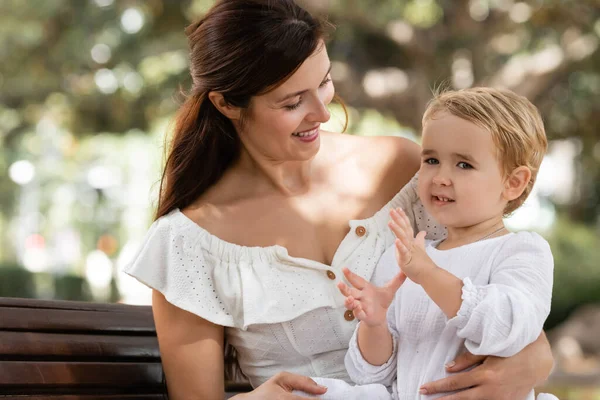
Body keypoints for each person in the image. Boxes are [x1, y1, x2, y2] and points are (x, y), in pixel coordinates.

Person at [123, 1, 554, 399]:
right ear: (227, 103)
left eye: (325, 81)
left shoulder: (405, 170)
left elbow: (488, 284)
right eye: (292, 102)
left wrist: (534, 360)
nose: (323, 112)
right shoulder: (189, 244)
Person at [301, 88, 556, 399]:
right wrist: (375, 324)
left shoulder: (521, 251)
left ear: (513, 183)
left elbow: (506, 329)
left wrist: (427, 274)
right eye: (432, 160)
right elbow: (371, 375)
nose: (441, 177)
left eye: (464, 165)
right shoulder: (405, 258)